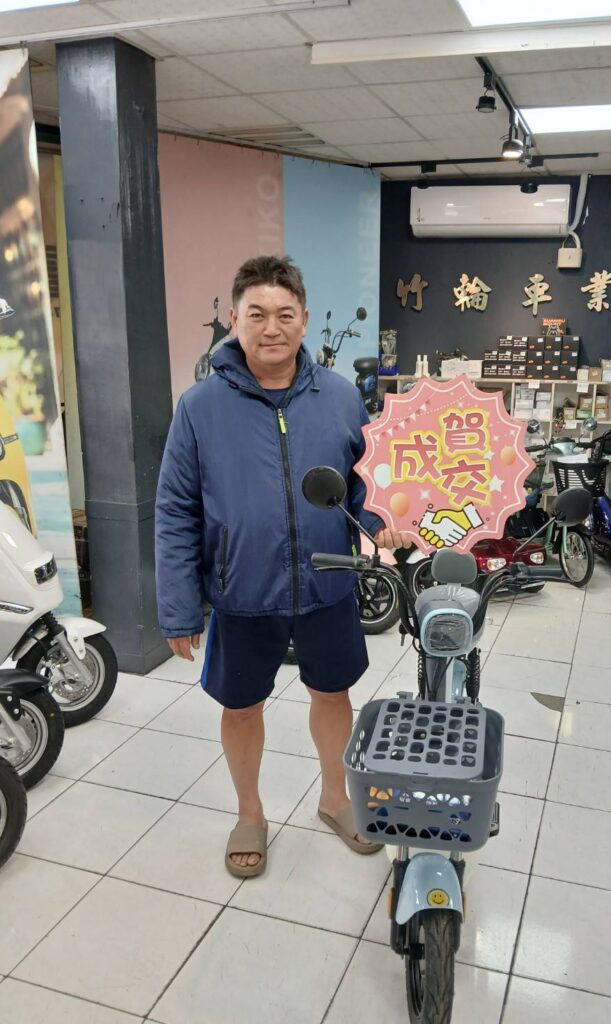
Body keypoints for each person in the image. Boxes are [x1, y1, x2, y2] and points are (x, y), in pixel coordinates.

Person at [156, 255, 410, 878]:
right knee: (241, 705)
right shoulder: (199, 407)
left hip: (328, 585)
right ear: (235, 318)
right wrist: (179, 608)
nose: (272, 327)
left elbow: (366, 487)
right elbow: (175, 510)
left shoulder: (341, 397)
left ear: (304, 317)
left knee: (334, 693)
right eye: (257, 314)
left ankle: (334, 798)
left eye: (285, 314)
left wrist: (381, 525)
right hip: (241, 591)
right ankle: (250, 812)